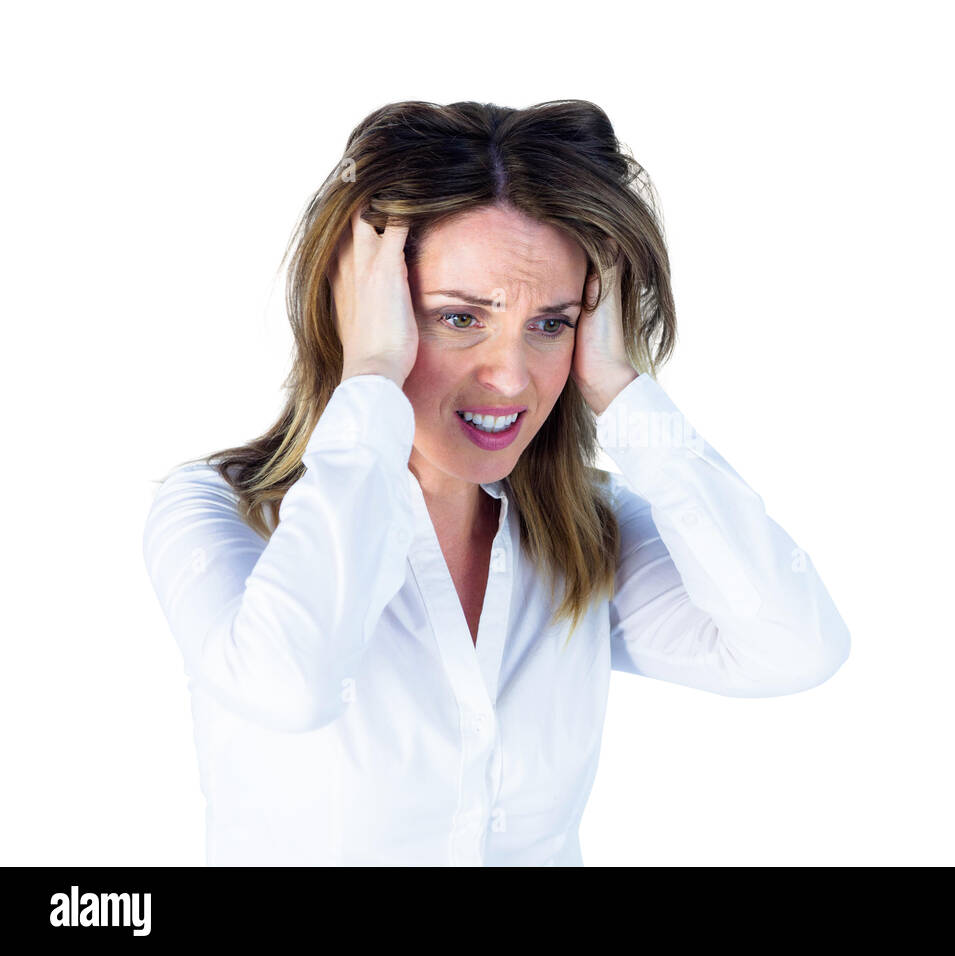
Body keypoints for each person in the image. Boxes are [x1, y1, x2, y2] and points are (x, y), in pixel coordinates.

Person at [141, 99, 851, 866]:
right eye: (459, 318)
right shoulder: (218, 510)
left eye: (551, 324)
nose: (512, 378)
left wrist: (618, 385)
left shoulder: (585, 531)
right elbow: (293, 684)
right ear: (362, 309)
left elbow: (797, 648)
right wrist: (372, 375)